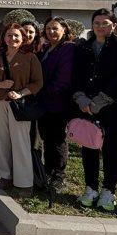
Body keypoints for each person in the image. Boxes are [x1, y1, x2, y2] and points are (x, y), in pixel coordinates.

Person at [72, 9, 117, 211]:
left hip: (113, 107)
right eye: (96, 22)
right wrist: (81, 98)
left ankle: (109, 190)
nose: (100, 26)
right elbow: (77, 75)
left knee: (111, 149)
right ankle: (90, 188)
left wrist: (101, 100)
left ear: (113, 25)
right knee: (89, 146)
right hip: (87, 106)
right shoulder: (84, 48)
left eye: (105, 22)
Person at [0, 24, 43, 197]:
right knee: (1, 140)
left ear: (23, 38)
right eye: (9, 35)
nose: (13, 39)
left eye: (16, 35)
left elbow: (38, 82)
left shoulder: (30, 58)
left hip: (20, 105)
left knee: (20, 141)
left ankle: (24, 184)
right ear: (4, 38)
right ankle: (5, 176)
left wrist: (21, 93)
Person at [37, 17, 76, 190]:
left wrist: (42, 91)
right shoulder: (46, 48)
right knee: (47, 138)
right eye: (48, 28)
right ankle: (48, 170)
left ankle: (59, 175)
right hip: (44, 102)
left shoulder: (68, 48)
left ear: (64, 30)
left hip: (58, 102)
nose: (51, 32)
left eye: (55, 28)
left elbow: (64, 77)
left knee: (58, 139)